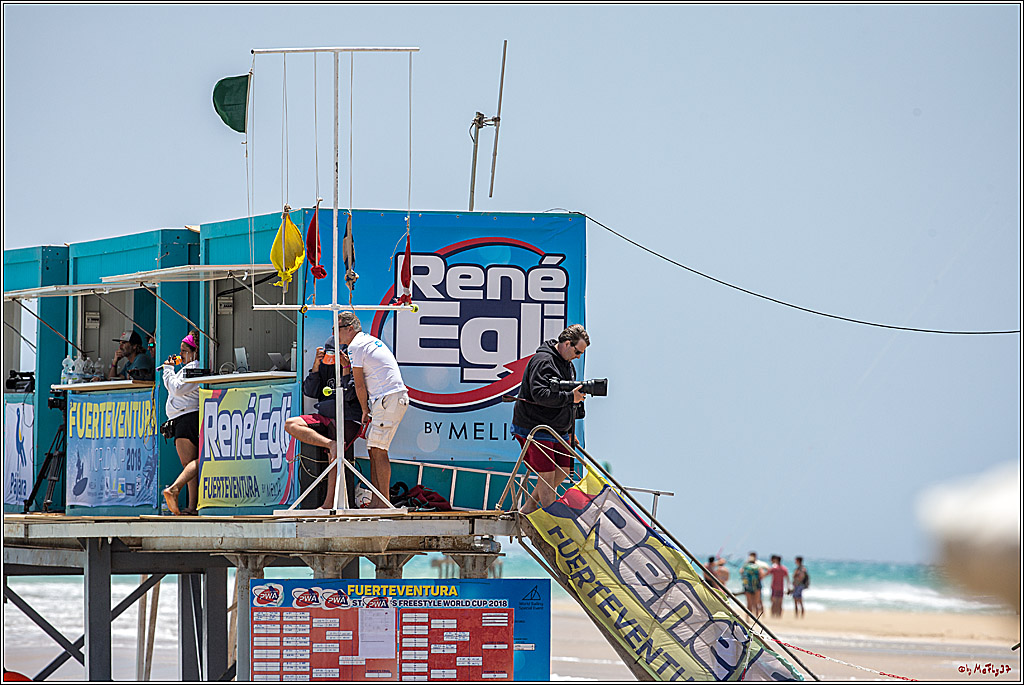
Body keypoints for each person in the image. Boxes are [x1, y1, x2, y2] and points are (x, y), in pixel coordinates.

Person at [511, 324, 590, 515]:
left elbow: (569, 399)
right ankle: (551, 517)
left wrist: (570, 430)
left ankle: (529, 506)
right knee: (546, 474)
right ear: (567, 344)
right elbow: (540, 395)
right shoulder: (543, 361)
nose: (579, 357)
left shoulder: (568, 366)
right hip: (535, 427)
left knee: (563, 468)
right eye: (578, 352)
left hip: (557, 429)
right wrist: (571, 397)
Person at [334, 312, 408, 508]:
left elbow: (359, 385)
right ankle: (378, 501)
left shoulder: (356, 346)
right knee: (374, 450)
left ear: (350, 329)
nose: (334, 333)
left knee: (378, 450)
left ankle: (383, 504)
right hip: (390, 398)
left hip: (387, 399)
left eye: (337, 329)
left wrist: (364, 410)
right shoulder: (367, 341)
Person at [284, 336, 363, 509]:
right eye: (329, 353)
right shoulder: (324, 366)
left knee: (334, 457)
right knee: (291, 424)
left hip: (347, 416)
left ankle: (328, 504)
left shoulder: (354, 366)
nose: (331, 357)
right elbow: (310, 392)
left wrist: (345, 368)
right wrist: (316, 365)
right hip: (326, 415)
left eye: (334, 353)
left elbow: (349, 395)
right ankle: (331, 443)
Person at [160, 331, 201, 515]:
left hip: (188, 418)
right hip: (181, 419)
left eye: (184, 351)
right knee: (189, 464)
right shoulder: (185, 369)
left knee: (192, 463)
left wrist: (168, 370)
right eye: (180, 351)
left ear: (194, 352)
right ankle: (192, 506)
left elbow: (176, 389)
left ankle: (175, 489)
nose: (181, 355)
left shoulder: (194, 367)